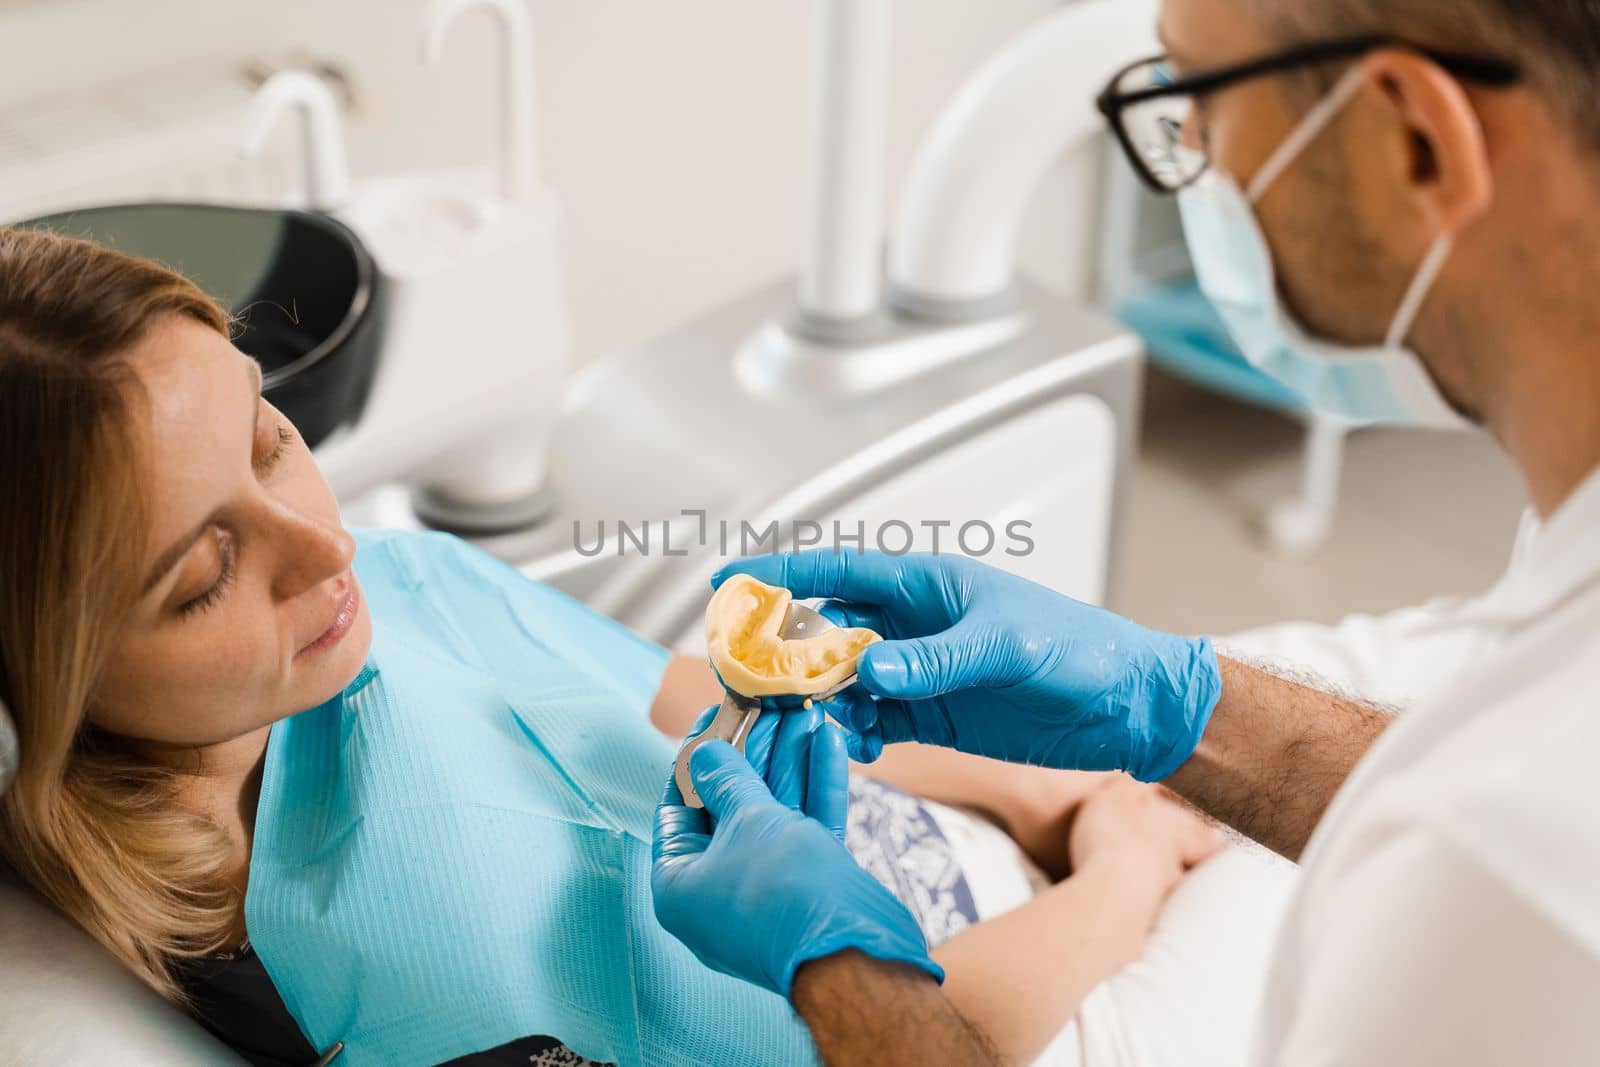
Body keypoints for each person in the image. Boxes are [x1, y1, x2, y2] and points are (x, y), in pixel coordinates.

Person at [0, 225, 1276, 1067]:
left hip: (1001, 871)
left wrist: (1034, 781)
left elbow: (666, 691)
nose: (323, 547)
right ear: (44, 679)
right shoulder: (355, 962)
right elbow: (927, 1037)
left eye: (269, 432)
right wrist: (1124, 865)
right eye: (206, 572)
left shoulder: (392, 579)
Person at [651, 0, 1600, 1063]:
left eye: (1195, 98)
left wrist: (836, 969)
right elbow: (1457, 757)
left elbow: (1490, 821)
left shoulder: (1518, 877)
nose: (1186, 146)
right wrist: (1181, 710)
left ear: (1416, 142)